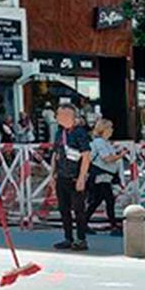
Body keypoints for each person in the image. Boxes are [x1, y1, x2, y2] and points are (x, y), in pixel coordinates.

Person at [53, 103, 91, 251]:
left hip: (75, 176)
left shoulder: (80, 133)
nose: (58, 117)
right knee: (64, 209)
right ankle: (68, 238)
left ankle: (81, 239)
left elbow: (86, 155)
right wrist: (52, 174)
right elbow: (56, 154)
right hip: (62, 175)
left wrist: (82, 177)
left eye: (62, 115)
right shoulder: (59, 133)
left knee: (79, 209)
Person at [84, 117, 122, 235]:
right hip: (102, 175)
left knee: (97, 201)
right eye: (110, 127)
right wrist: (121, 155)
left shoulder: (103, 142)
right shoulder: (100, 143)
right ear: (104, 129)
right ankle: (114, 226)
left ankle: (83, 223)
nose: (112, 130)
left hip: (103, 175)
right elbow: (106, 158)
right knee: (109, 200)